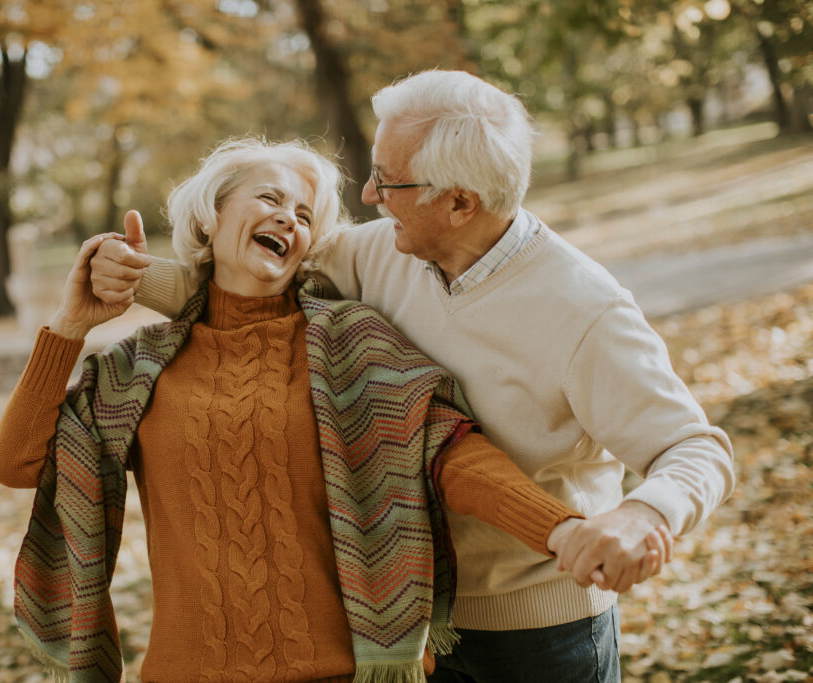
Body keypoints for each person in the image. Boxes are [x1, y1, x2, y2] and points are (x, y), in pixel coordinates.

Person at [103, 71, 734, 682]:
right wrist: (132, 278)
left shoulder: (584, 308)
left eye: (388, 181)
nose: (370, 197)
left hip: (541, 632)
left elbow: (693, 446)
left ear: (459, 201)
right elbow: (250, 279)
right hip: (405, 624)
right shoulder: (378, 253)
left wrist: (644, 515)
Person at [0, 138, 648, 683]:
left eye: (305, 215)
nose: (290, 220)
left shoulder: (349, 340)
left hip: (342, 672)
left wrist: (563, 531)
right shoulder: (137, 368)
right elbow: (18, 462)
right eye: (270, 199)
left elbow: (451, 455)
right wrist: (71, 323)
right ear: (208, 219)